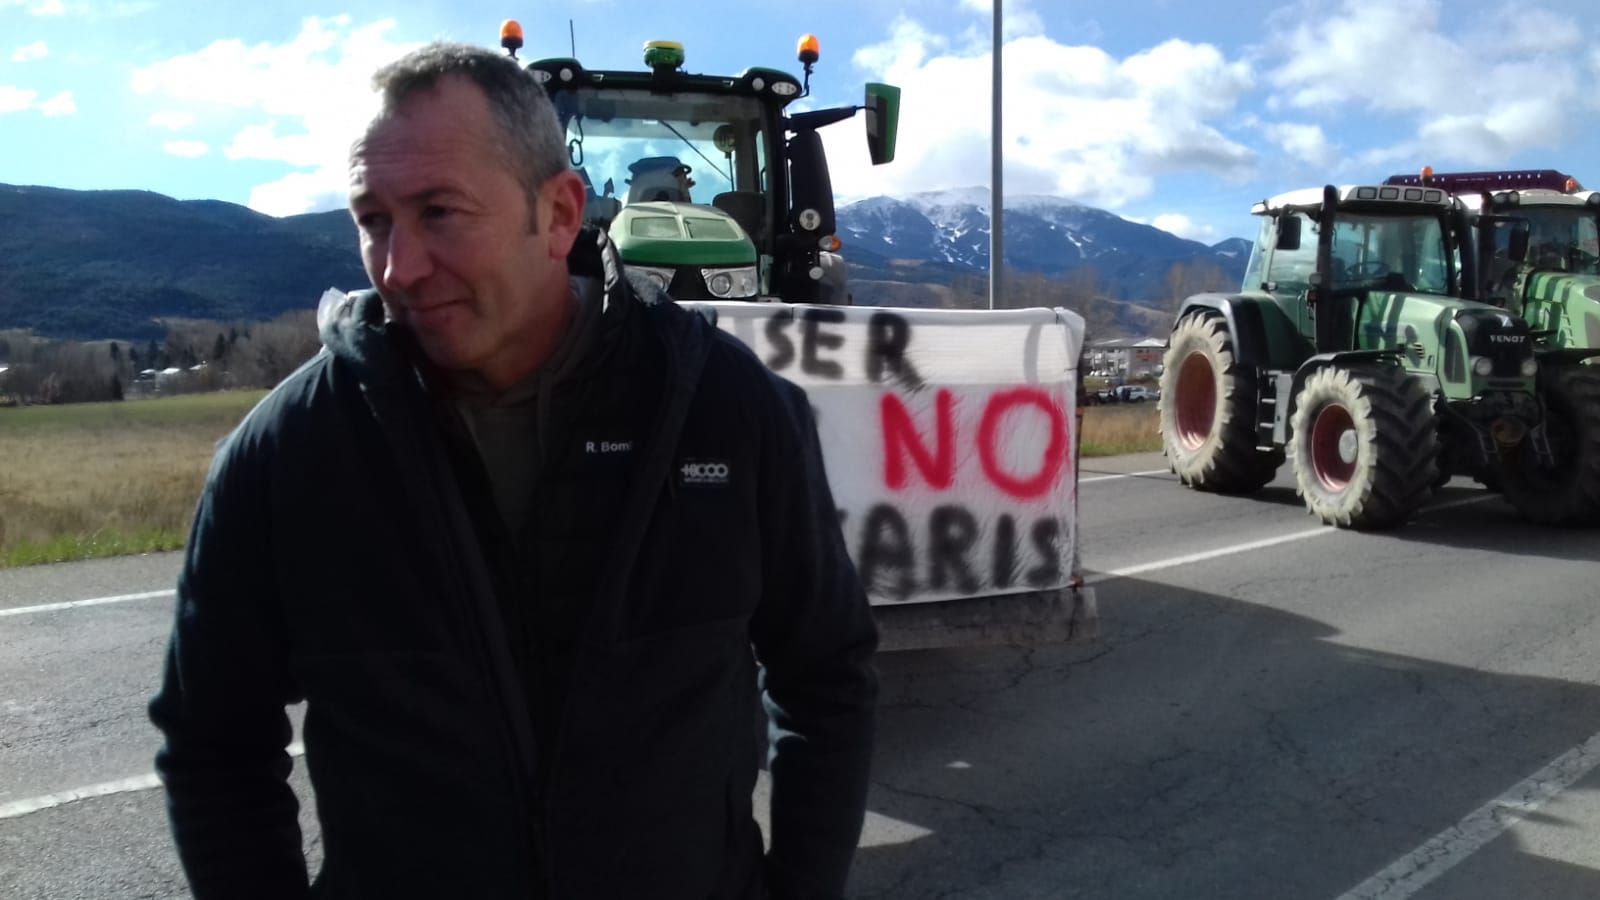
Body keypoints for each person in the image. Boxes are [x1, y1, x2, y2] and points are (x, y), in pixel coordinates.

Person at [149, 41, 878, 900]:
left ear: (561, 214)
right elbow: (213, 743)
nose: (397, 268)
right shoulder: (289, 454)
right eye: (373, 220)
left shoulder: (728, 413)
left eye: (440, 213)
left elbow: (826, 675)